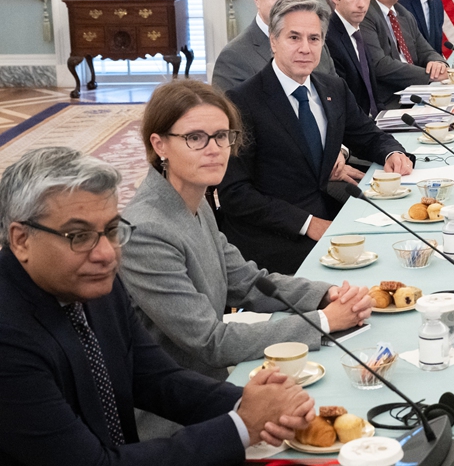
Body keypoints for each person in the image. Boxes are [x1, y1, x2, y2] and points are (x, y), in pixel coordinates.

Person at [0, 147, 315, 464]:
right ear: (21, 240)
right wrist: (241, 426)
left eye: (111, 230)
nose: (106, 254)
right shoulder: (8, 339)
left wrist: (251, 402)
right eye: (79, 236)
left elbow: (156, 379)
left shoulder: (90, 281)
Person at [120, 79, 373, 383]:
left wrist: (324, 295)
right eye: (196, 138)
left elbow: (248, 282)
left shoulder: (195, 201)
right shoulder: (145, 230)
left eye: (222, 136)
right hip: (183, 403)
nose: (214, 149)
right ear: (159, 144)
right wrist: (323, 321)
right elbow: (211, 341)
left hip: (212, 380)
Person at [218, 0, 413, 275]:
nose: (305, 48)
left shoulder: (332, 87)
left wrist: (393, 153)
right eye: (294, 37)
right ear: (273, 41)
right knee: (367, 275)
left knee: (398, 242)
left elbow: (369, 136)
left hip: (327, 214)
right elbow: (235, 194)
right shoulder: (241, 101)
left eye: (314, 38)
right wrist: (307, 223)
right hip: (273, 237)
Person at [212, 0, 333, 93]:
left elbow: (336, 99)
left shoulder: (316, 47)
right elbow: (231, 113)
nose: (286, 0)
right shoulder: (234, 58)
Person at [360, 0, 449, 95]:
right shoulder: (365, 14)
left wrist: (438, 63)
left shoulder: (402, 13)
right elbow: (380, 66)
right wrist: (430, 76)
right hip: (391, 99)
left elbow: (426, 51)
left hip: (416, 92)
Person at [325, 0, 390, 117]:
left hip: (377, 121)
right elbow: (344, 106)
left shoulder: (357, 33)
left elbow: (372, 98)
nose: (361, 4)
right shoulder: (329, 39)